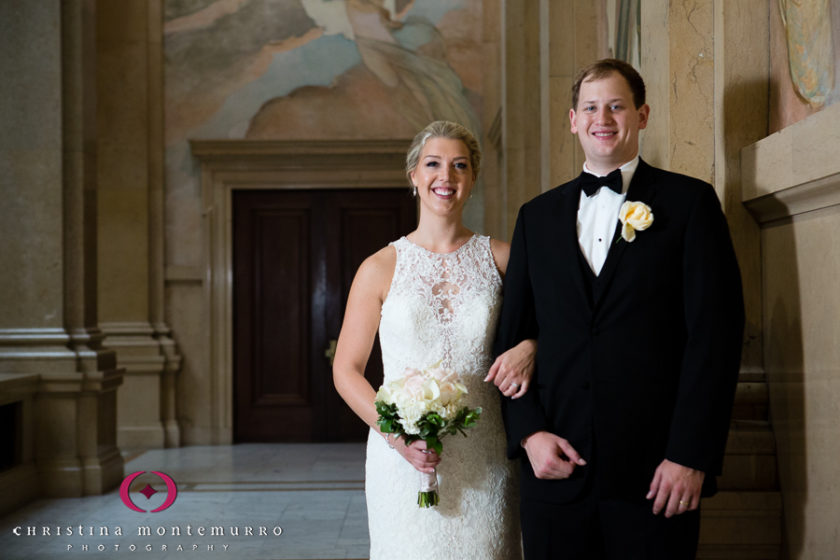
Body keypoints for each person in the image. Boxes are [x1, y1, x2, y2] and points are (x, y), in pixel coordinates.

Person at [495, 59, 745, 559]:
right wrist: (529, 434)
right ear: (573, 120)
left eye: (616, 105)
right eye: (590, 107)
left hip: (657, 477)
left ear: (642, 115)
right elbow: (511, 339)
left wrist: (689, 455)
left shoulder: (690, 204)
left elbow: (715, 339)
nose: (602, 118)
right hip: (556, 473)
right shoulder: (535, 217)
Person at [333, 120, 534, 560]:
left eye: (460, 165)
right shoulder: (379, 267)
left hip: (486, 455)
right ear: (414, 176)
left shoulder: (503, 258)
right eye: (434, 164)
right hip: (399, 456)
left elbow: (555, 323)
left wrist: (530, 347)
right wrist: (395, 437)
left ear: (473, 179)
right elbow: (346, 370)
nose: (447, 177)